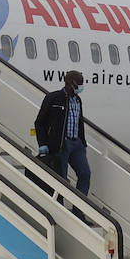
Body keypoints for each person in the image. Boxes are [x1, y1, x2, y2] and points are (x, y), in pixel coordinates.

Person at [35, 70, 90, 198]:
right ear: (71, 83)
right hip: (61, 145)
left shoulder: (77, 100)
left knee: (85, 174)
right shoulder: (53, 98)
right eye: (80, 84)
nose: (81, 87)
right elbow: (39, 122)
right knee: (61, 179)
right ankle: (60, 208)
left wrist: (82, 141)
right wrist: (42, 143)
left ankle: (78, 211)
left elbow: (79, 121)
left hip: (77, 144)